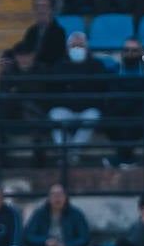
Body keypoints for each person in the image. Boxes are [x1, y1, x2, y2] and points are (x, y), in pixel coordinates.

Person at [46, 31, 114, 161]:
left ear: (87, 48)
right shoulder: (59, 66)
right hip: (66, 109)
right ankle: (66, 152)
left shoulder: (97, 65)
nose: (77, 49)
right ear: (67, 50)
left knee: (93, 116)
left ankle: (71, 152)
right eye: (74, 46)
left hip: (88, 109)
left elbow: (100, 89)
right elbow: (54, 90)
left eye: (80, 46)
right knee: (55, 115)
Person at [105, 36, 144, 167]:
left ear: (141, 52)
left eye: (134, 50)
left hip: (141, 109)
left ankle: (122, 158)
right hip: (119, 109)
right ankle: (127, 158)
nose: (130, 53)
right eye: (127, 50)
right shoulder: (113, 69)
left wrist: (127, 88)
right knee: (111, 117)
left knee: (139, 115)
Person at [5, 0, 67, 69]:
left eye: (44, 6)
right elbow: (25, 49)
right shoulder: (31, 31)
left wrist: (31, 59)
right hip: (32, 70)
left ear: (51, 9)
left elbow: (55, 57)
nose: (40, 10)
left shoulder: (59, 32)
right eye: (37, 7)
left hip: (48, 72)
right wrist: (8, 56)